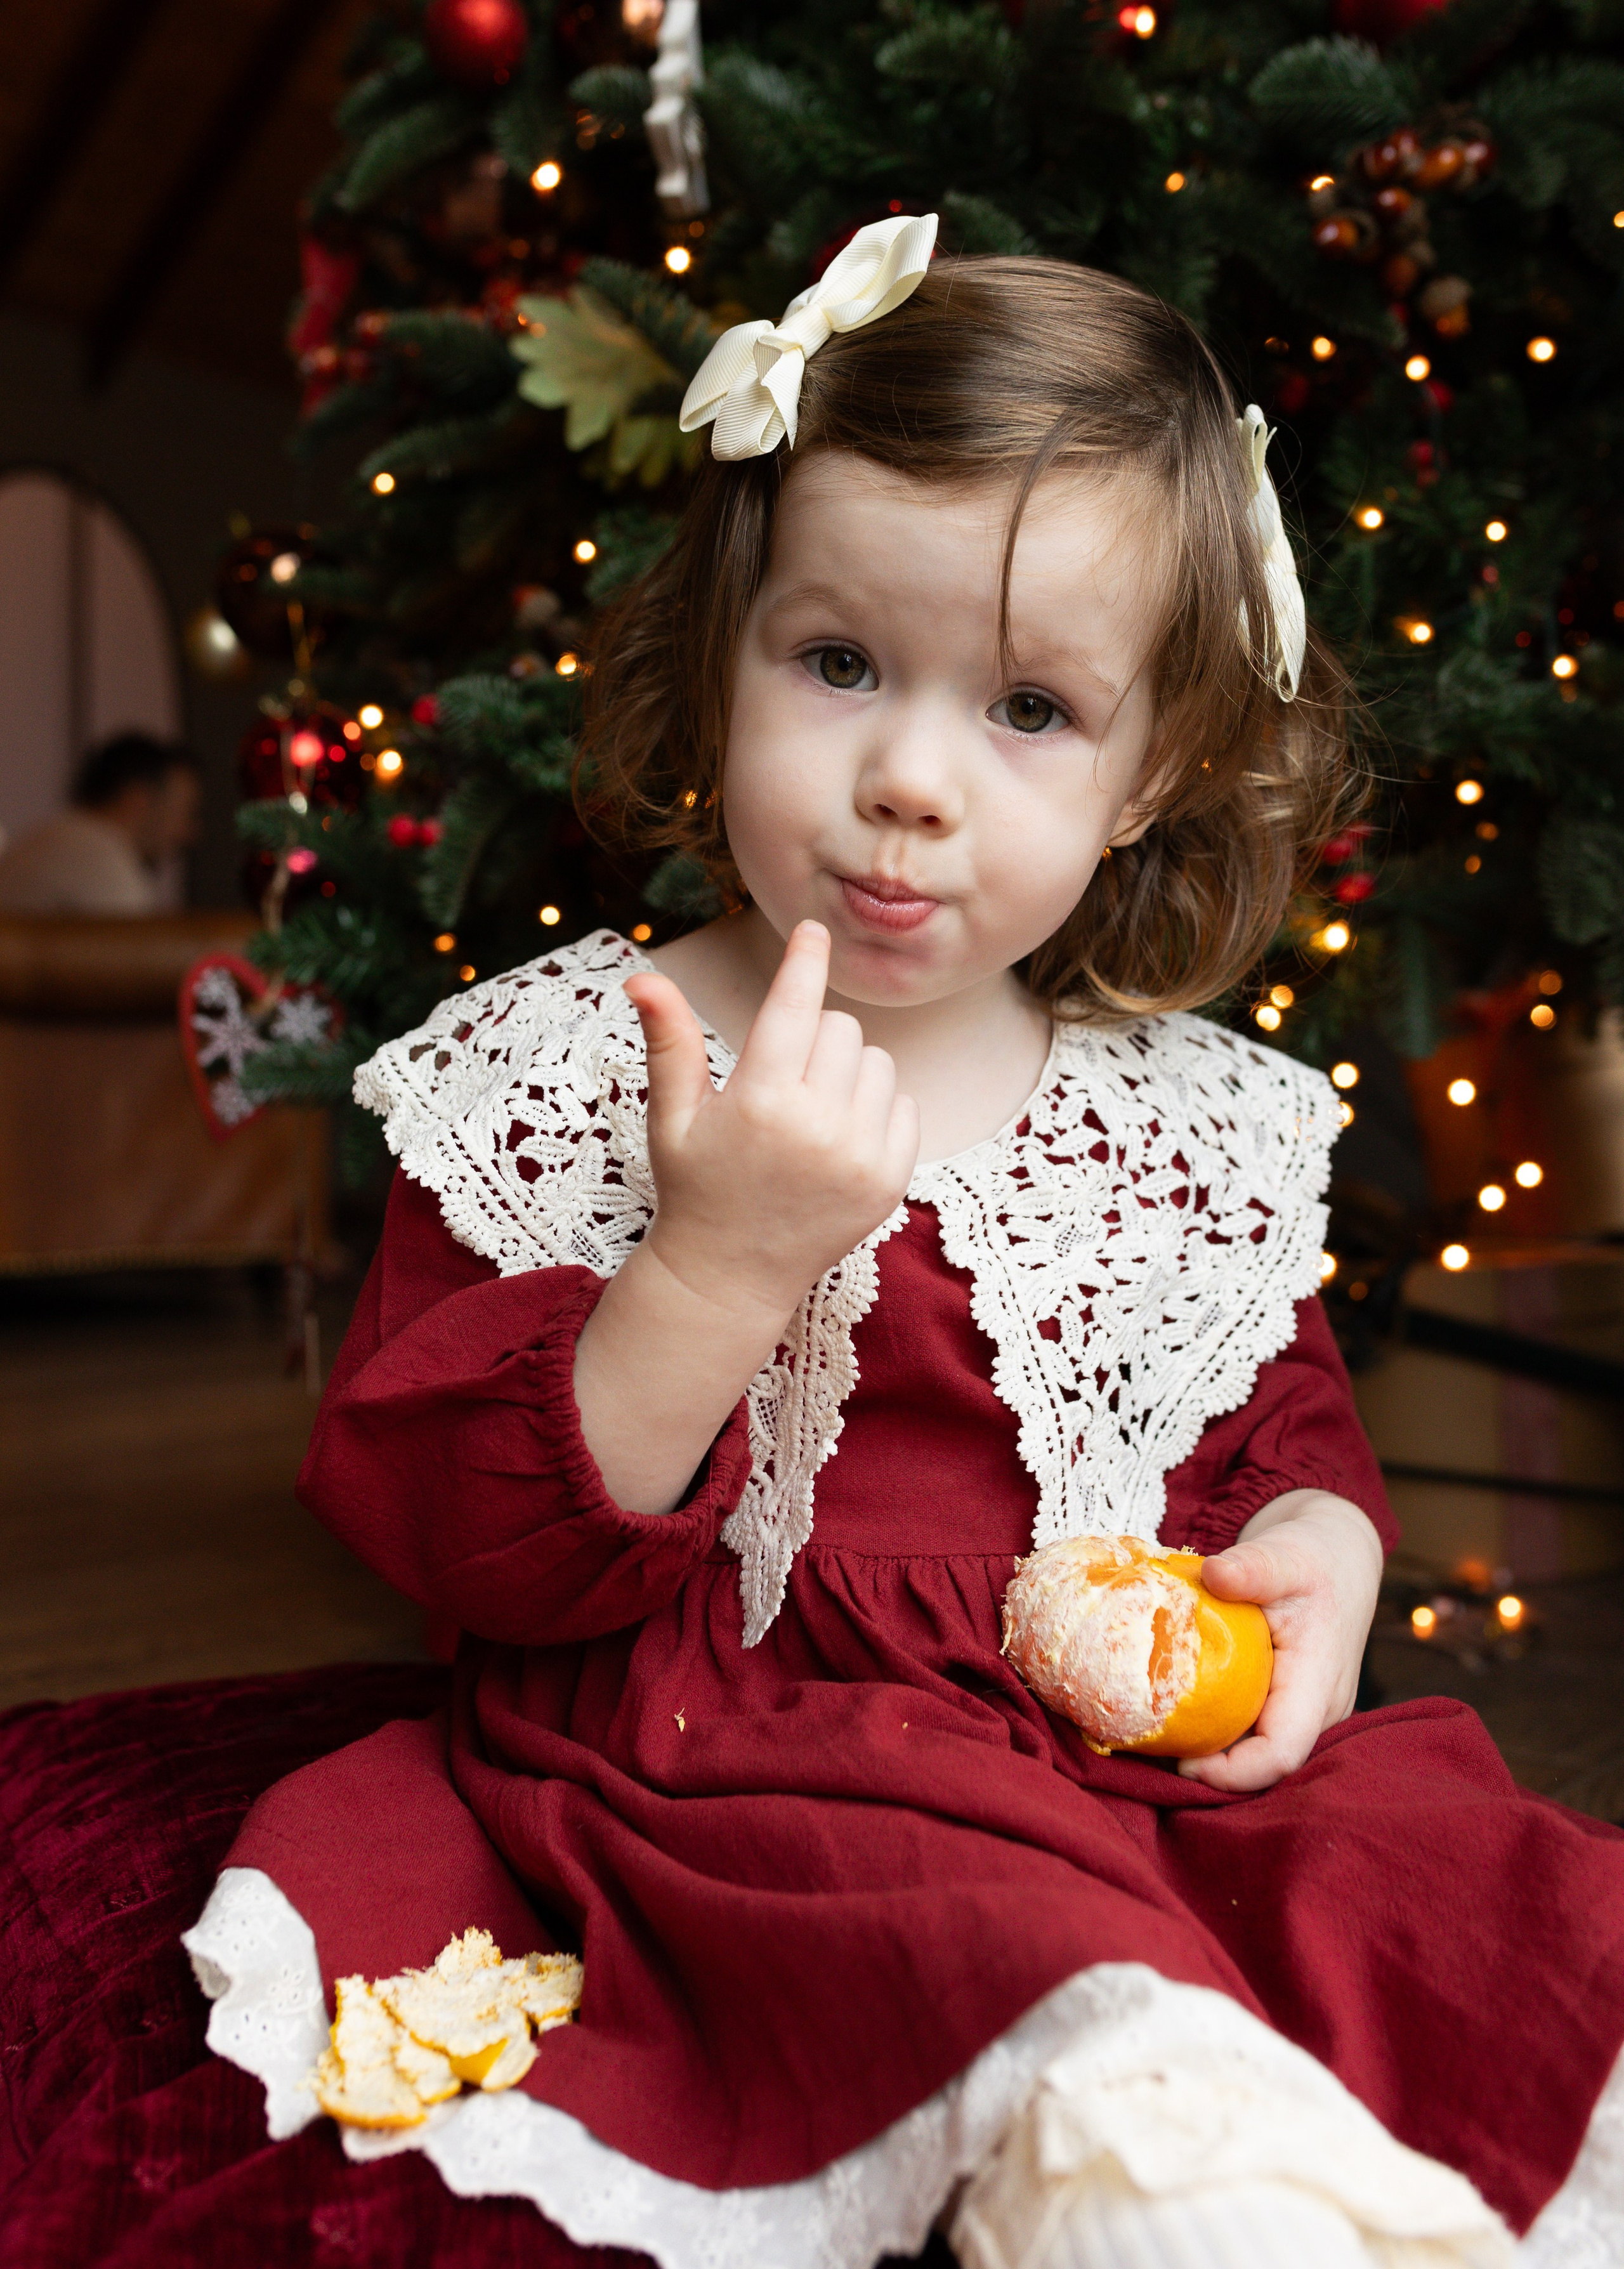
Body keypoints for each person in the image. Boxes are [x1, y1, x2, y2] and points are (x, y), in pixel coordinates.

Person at [183, 223, 1623, 2268]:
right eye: (840, 661)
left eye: (1029, 707)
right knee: (1023, 1969)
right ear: (726, 652)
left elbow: (1270, 1425)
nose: (907, 782)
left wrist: (1320, 1549)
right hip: (739, 1761)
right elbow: (457, 1550)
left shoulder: (1178, 1115)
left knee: (1474, 1907)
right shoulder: (577, 1063)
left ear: (1154, 779)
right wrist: (713, 1267)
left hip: (1124, 1748)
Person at [0, 729, 201, 915]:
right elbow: (139, 948)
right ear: (138, 800)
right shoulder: (103, 862)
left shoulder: (46, 839)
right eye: (184, 813)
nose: (190, 833)